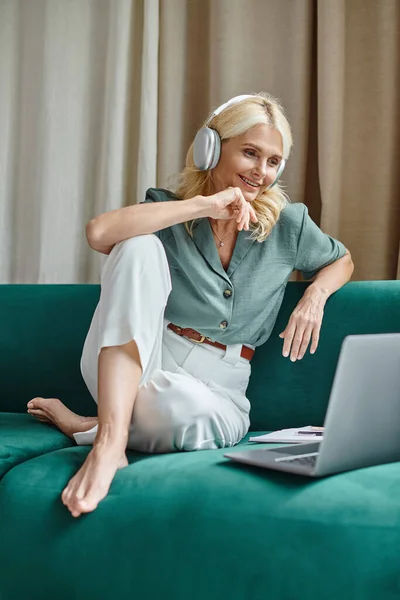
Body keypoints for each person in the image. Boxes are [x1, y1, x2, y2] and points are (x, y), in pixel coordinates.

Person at [27, 93, 354, 518]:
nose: (261, 171)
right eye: (250, 153)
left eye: (273, 161)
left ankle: (90, 424)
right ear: (211, 148)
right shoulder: (169, 209)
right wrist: (202, 205)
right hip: (137, 356)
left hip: (219, 387)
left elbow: (341, 259)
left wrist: (314, 296)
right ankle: (109, 444)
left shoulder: (288, 224)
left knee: (183, 410)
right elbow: (99, 233)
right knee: (137, 246)